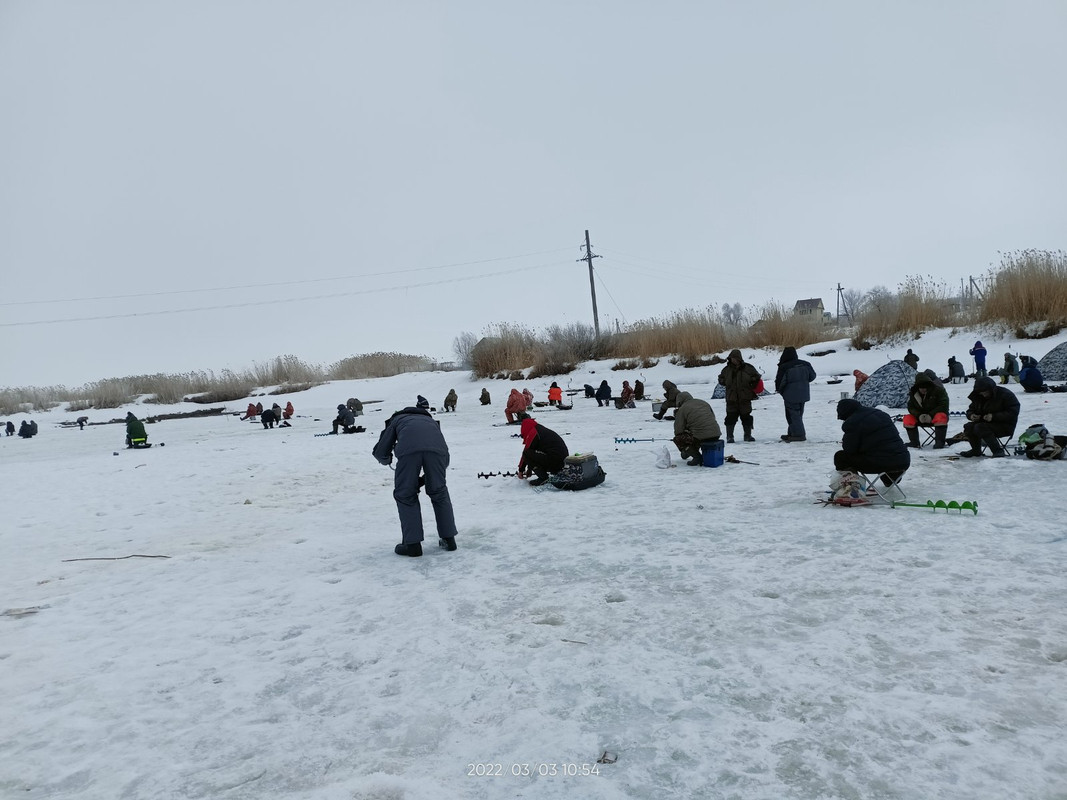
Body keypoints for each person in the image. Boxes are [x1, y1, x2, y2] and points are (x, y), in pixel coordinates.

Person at [372, 397, 458, 557]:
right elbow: (444, 459)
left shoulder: (397, 420)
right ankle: (449, 540)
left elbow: (380, 452)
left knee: (405, 495)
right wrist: (426, 479)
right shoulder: (430, 421)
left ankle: (412, 545)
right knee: (439, 493)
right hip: (439, 453)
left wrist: (387, 460)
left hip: (408, 452)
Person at [834, 399, 910, 485]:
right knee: (882, 450)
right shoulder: (881, 414)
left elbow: (849, 449)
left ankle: (852, 486)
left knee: (840, 457)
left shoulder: (853, 422)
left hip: (882, 462)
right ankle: (891, 479)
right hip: (903, 460)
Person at [958, 376, 1020, 458]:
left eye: (985, 392)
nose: (983, 394)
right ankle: (976, 450)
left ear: (991, 389)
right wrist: (971, 415)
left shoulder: (1005, 395)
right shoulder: (978, 396)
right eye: (981, 392)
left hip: (1005, 425)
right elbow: (970, 409)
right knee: (969, 426)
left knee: (980, 427)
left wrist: (994, 416)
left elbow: (1013, 412)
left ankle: (998, 451)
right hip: (985, 424)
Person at [774, 346, 816, 442]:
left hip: (790, 395)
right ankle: (792, 433)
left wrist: (781, 391)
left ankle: (799, 435)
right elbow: (813, 376)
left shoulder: (784, 367)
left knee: (792, 414)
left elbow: (780, 382)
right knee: (798, 414)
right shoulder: (806, 364)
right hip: (804, 393)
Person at [718, 349, 761, 442]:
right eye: (732, 358)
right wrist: (723, 381)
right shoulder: (726, 370)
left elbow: (757, 377)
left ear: (739, 358)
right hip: (731, 398)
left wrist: (753, 382)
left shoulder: (748, 368)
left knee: (746, 417)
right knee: (730, 418)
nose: (733, 360)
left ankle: (748, 435)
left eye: (735, 358)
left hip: (745, 397)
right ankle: (730, 437)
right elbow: (721, 378)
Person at [672, 392, 722, 466]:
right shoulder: (703, 402)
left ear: (679, 402)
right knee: (696, 434)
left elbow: (678, 430)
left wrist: (686, 429)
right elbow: (711, 417)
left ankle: (696, 457)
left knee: (678, 439)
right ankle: (688, 452)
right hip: (716, 433)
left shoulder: (683, 408)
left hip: (701, 436)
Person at [902, 371, 949, 449]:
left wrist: (930, 415)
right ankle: (914, 442)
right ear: (917, 387)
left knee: (941, 416)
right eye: (921, 388)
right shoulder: (913, 393)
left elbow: (944, 405)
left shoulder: (939, 391)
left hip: (935, 416)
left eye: (925, 387)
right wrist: (918, 415)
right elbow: (910, 407)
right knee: (908, 418)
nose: (924, 390)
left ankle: (940, 442)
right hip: (920, 417)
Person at [517, 418, 569, 486]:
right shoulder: (540, 430)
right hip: (561, 461)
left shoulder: (533, 432)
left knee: (526, 453)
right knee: (531, 453)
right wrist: (529, 469)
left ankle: (543, 478)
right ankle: (553, 471)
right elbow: (534, 452)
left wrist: (521, 470)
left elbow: (526, 452)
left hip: (555, 460)